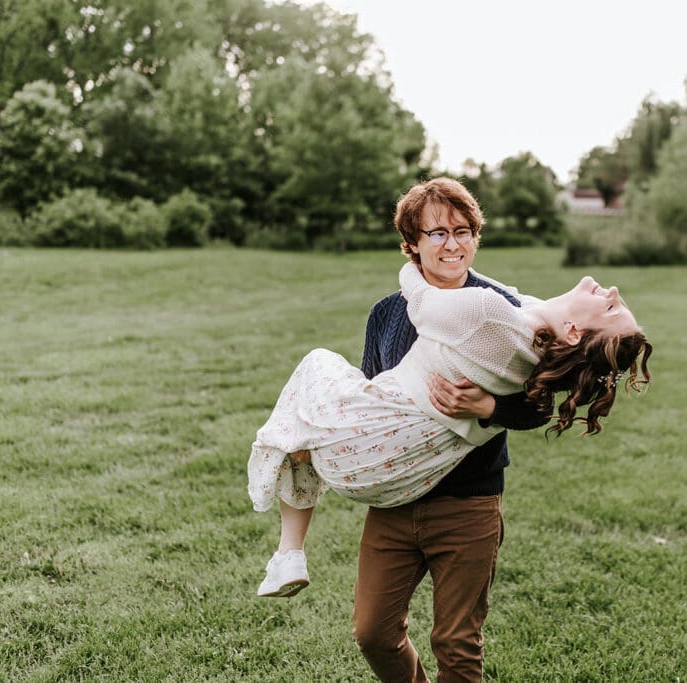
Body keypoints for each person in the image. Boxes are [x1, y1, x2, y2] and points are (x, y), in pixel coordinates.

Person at [247, 178, 652, 682]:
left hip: (468, 503)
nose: (452, 244)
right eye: (436, 234)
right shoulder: (389, 313)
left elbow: (538, 406)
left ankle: (290, 546)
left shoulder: (497, 307)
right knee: (373, 632)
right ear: (412, 244)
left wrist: (489, 406)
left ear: (476, 239)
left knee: (457, 643)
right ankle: (291, 547)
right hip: (396, 503)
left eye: (463, 231)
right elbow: (377, 389)